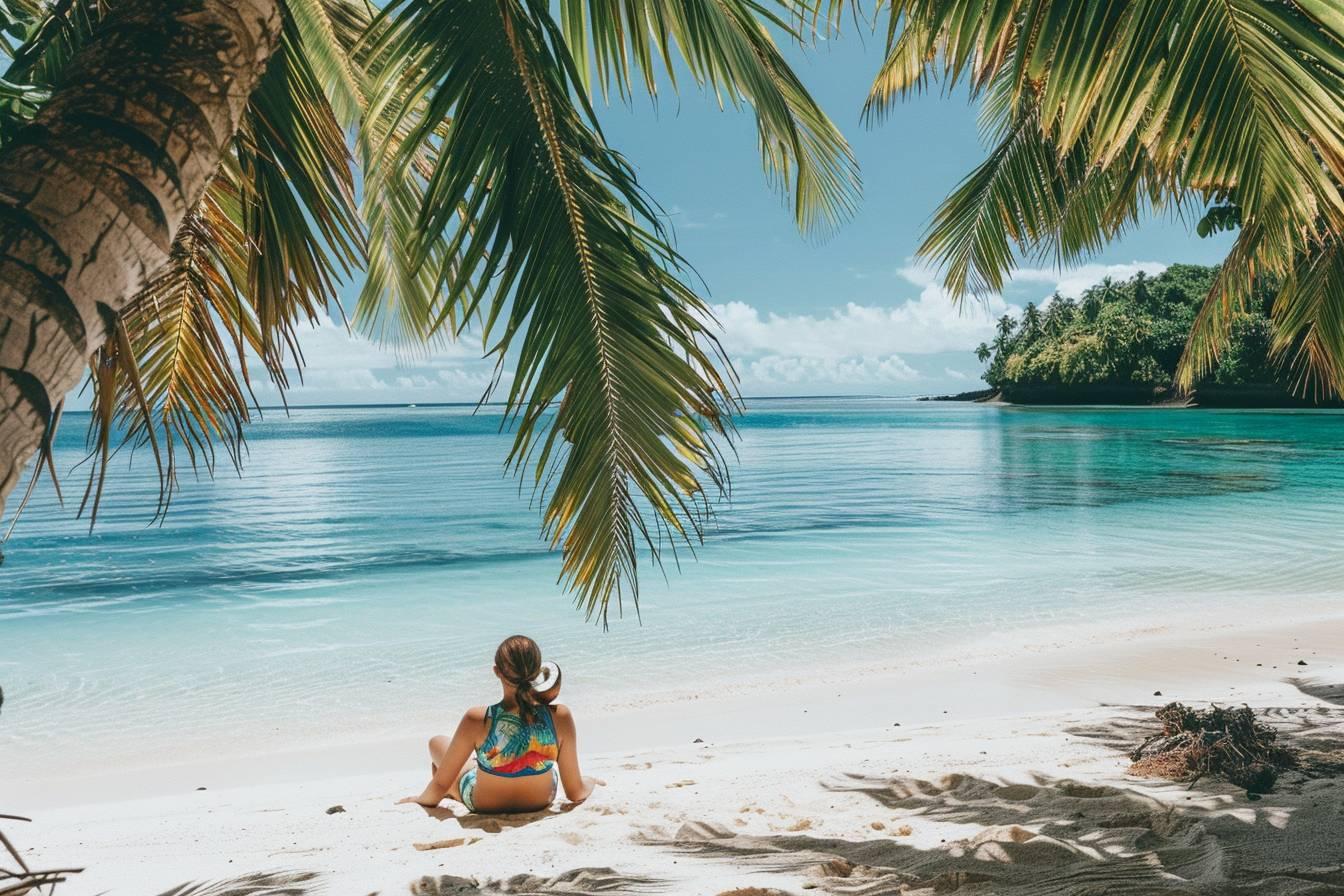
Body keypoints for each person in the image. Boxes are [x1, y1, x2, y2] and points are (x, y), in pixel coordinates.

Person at [399, 635, 598, 813]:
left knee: (436, 742)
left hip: (484, 804)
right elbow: (575, 792)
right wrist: (590, 782)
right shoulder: (560, 716)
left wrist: (421, 800)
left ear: (497, 671)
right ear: (537, 672)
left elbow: (441, 782)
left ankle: (465, 784)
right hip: (540, 800)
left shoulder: (477, 718)